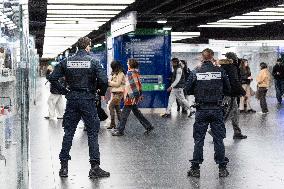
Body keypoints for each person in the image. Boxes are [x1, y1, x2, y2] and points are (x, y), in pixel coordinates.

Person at [48, 37, 110, 178]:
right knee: (93, 133)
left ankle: (64, 168)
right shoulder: (94, 62)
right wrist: (99, 91)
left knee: (68, 133)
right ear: (87, 47)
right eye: (90, 46)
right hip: (88, 100)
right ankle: (94, 167)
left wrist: (64, 91)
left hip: (72, 100)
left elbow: (52, 78)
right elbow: (104, 80)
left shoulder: (66, 62)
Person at [185, 48, 231, 178]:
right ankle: (222, 168)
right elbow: (228, 89)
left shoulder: (195, 72)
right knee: (219, 139)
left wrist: (198, 89)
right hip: (217, 109)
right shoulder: (220, 71)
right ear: (212, 57)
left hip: (201, 109)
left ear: (202, 57)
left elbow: (187, 89)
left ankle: (195, 169)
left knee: (199, 140)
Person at [112, 58, 154, 136]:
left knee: (124, 114)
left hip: (130, 97)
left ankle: (120, 130)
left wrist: (126, 96)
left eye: (128, 63)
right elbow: (139, 85)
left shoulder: (130, 73)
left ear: (131, 64)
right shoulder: (136, 72)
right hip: (134, 96)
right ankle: (149, 126)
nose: (127, 64)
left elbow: (129, 87)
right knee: (137, 113)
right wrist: (140, 94)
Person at [219, 55, 247, 140]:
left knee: (235, 113)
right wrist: (243, 92)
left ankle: (237, 133)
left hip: (227, 93)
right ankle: (215, 131)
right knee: (228, 113)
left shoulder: (222, 67)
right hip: (230, 94)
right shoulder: (231, 67)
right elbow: (234, 81)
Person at [107, 60, 125, 129]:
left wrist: (109, 82)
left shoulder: (121, 74)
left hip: (119, 93)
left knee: (111, 107)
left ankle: (113, 124)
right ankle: (121, 124)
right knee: (117, 108)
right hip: (114, 93)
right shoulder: (114, 73)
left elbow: (117, 84)